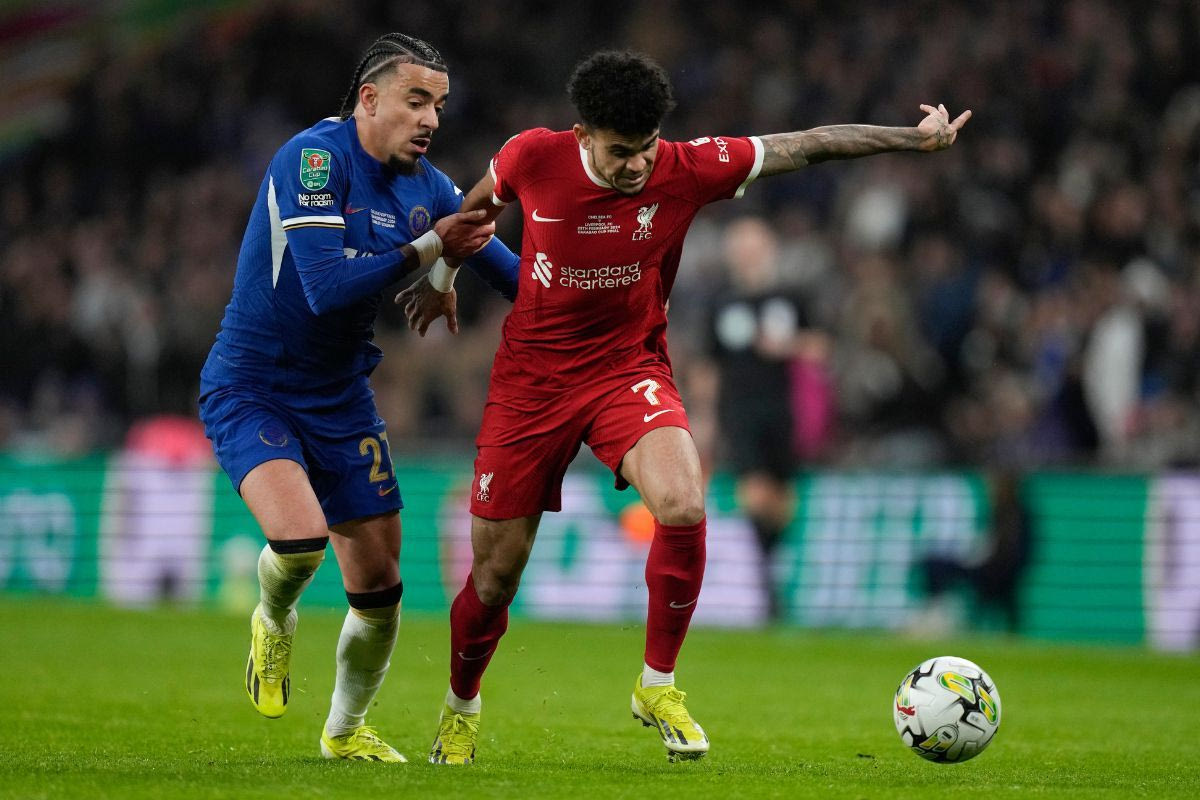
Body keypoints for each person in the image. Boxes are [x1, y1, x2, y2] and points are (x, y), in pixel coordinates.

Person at [400, 50, 970, 764]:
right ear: (583, 135)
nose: (638, 164)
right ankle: (461, 706)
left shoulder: (685, 167)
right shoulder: (534, 156)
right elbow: (476, 209)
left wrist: (912, 138)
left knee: (682, 502)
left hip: (626, 369)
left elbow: (807, 144)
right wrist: (445, 276)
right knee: (494, 578)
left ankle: (658, 685)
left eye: (646, 147)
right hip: (532, 385)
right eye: (621, 152)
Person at [197, 33, 518, 763]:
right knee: (300, 540)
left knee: (380, 586)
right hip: (254, 385)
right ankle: (273, 619)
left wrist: (597, 287)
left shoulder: (429, 187)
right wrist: (433, 250)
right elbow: (325, 288)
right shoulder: (313, 160)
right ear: (369, 99)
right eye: (416, 100)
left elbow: (513, 275)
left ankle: (345, 731)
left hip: (341, 397)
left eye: (439, 105)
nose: (430, 119)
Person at [702, 216, 830, 621]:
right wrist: (705, 418)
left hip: (786, 410)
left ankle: (771, 569)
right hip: (739, 412)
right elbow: (710, 366)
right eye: (740, 248)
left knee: (782, 500)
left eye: (753, 247)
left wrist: (786, 346)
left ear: (769, 250)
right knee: (754, 493)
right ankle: (767, 581)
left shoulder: (791, 297)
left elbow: (820, 347)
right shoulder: (721, 303)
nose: (747, 255)